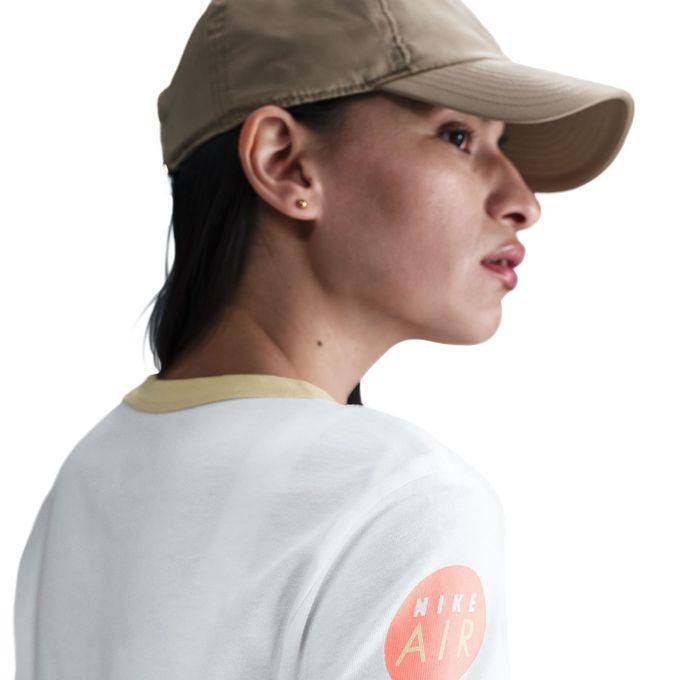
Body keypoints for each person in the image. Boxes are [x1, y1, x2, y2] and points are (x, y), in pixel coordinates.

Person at [13, 0, 634, 678]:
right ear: (284, 163)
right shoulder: (404, 496)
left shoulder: (87, 479)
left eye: (501, 145)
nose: (524, 202)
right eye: (457, 137)